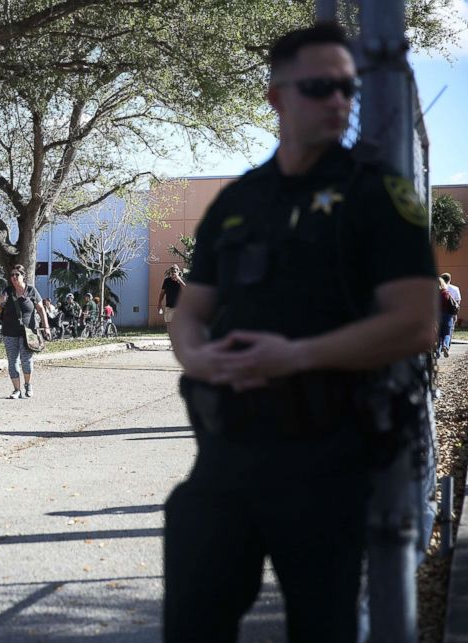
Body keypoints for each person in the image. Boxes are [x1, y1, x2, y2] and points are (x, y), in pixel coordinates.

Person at [164, 23, 436, 642]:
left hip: (328, 460)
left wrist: (296, 356)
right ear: (277, 97)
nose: (339, 101)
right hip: (227, 456)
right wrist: (200, 361)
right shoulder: (238, 201)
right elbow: (190, 312)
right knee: (191, 616)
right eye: (320, 87)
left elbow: (416, 321)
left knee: (325, 628)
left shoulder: (380, 195)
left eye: (348, 87)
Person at [0, 265, 50, 399]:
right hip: (9, 331)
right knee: (12, 361)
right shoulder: (8, 291)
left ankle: (28, 384)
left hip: (28, 332)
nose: (14, 277)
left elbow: (41, 310)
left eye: (17, 275)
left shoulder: (31, 290)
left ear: (23, 276)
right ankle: (16, 390)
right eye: (12, 275)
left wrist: (46, 327)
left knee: (26, 360)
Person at [156, 265, 185, 332]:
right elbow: (162, 293)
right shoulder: (166, 281)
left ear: (178, 272)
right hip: (169, 306)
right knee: (169, 324)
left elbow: (186, 290)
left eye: (174, 272)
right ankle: (172, 339)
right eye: (171, 272)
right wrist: (159, 303)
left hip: (179, 307)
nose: (173, 273)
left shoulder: (182, 280)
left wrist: (179, 280)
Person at [438, 277, 458, 358]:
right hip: (448, 316)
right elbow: (454, 305)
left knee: (438, 334)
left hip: (437, 316)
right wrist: (454, 315)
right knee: (447, 333)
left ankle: (437, 353)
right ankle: (445, 346)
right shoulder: (446, 293)